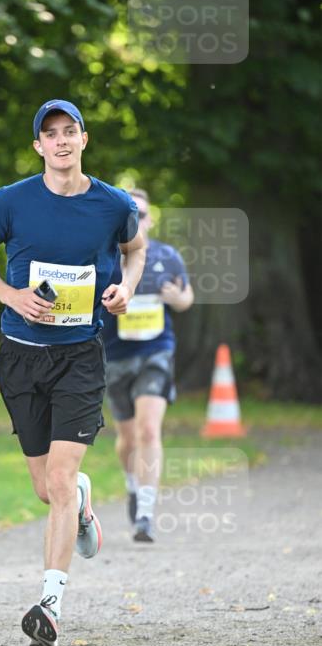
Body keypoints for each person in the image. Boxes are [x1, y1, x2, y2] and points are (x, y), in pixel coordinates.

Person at [0, 99, 145, 646]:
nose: (62, 141)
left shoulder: (112, 204)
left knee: (61, 481)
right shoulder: (10, 202)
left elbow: (135, 251)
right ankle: (83, 502)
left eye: (71, 132)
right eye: (51, 134)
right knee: (49, 490)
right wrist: (12, 296)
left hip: (80, 356)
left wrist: (126, 290)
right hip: (20, 357)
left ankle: (50, 605)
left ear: (84, 140)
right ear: (39, 147)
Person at [102, 188, 194, 543]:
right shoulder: (105, 257)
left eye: (139, 214)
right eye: (127, 215)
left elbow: (187, 297)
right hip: (116, 354)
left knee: (149, 431)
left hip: (157, 350)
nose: (134, 221)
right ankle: (132, 485)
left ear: (150, 219)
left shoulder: (166, 256)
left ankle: (145, 514)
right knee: (127, 439)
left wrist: (178, 298)